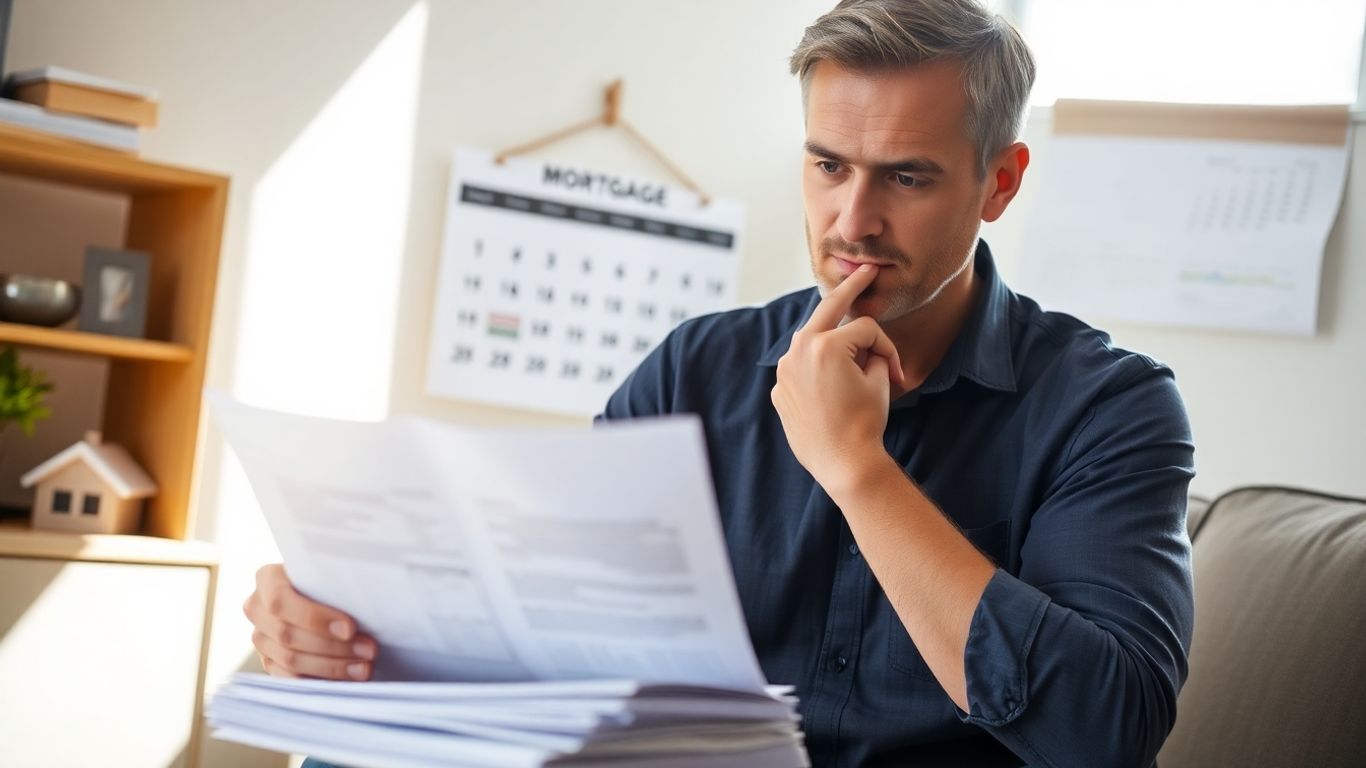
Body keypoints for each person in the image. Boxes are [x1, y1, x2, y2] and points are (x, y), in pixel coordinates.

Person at [245, 1, 1196, 765]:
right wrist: (349, 625)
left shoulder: (1109, 409)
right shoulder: (695, 369)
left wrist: (860, 473)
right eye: (828, 166)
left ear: (1000, 183)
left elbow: (1105, 735)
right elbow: (550, 623)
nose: (851, 221)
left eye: (906, 179)